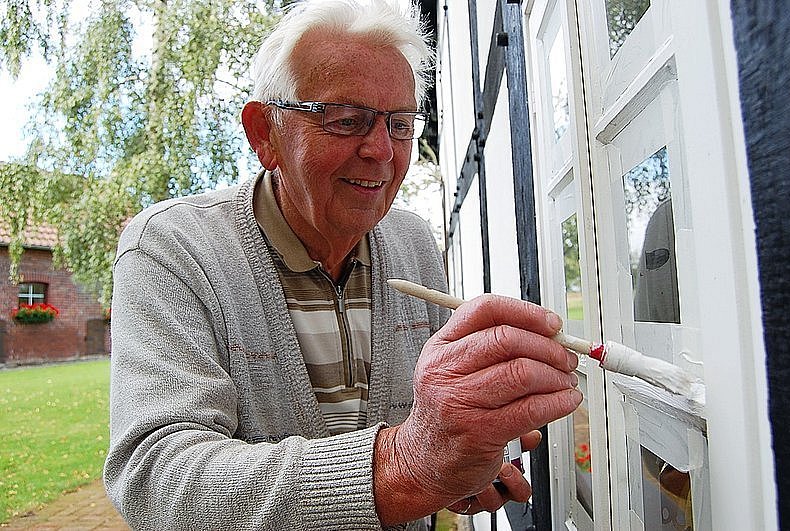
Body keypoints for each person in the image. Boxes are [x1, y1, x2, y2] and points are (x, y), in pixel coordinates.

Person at [103, 0, 582, 529]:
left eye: (400, 124)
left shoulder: (414, 241)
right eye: (347, 120)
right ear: (265, 133)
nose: (381, 150)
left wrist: (463, 468)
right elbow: (155, 478)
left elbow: (422, 433)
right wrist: (405, 469)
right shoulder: (171, 249)